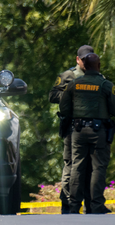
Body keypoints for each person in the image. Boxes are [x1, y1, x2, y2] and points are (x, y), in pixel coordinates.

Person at [59, 53, 114, 214]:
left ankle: (74, 205)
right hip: (99, 132)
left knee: (77, 166)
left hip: (77, 131)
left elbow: (64, 108)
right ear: (98, 66)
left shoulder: (74, 84)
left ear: (84, 65)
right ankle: (96, 205)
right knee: (98, 168)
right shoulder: (105, 85)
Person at [49, 45, 94, 214]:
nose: (85, 62)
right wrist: (73, 93)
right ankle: (67, 202)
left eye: (88, 59)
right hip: (73, 127)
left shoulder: (97, 76)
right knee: (71, 165)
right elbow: (53, 96)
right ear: (77, 59)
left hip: (93, 129)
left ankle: (91, 204)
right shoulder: (68, 75)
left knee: (92, 167)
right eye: (83, 59)